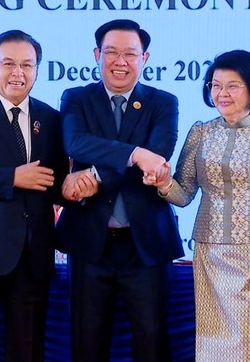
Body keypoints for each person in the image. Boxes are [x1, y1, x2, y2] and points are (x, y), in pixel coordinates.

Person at [0, 30, 97, 362]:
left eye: (27, 65)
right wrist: (12, 177)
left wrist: (76, 187)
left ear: (37, 69)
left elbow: (53, 182)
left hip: (32, 256)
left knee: (27, 351)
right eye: (9, 63)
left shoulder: (51, 119)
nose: (18, 73)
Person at [146, 50, 250, 361]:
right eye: (215, 85)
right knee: (217, 346)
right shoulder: (201, 132)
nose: (222, 93)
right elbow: (184, 194)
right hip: (212, 257)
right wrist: (163, 183)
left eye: (232, 86)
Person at [55, 19, 183, 362]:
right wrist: (136, 154)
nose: (120, 61)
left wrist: (96, 173)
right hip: (89, 242)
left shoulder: (163, 103)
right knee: (87, 344)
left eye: (130, 54)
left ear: (145, 58)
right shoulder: (76, 98)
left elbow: (157, 155)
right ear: (97, 55)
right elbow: (75, 142)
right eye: (111, 52)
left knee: (152, 344)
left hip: (146, 244)